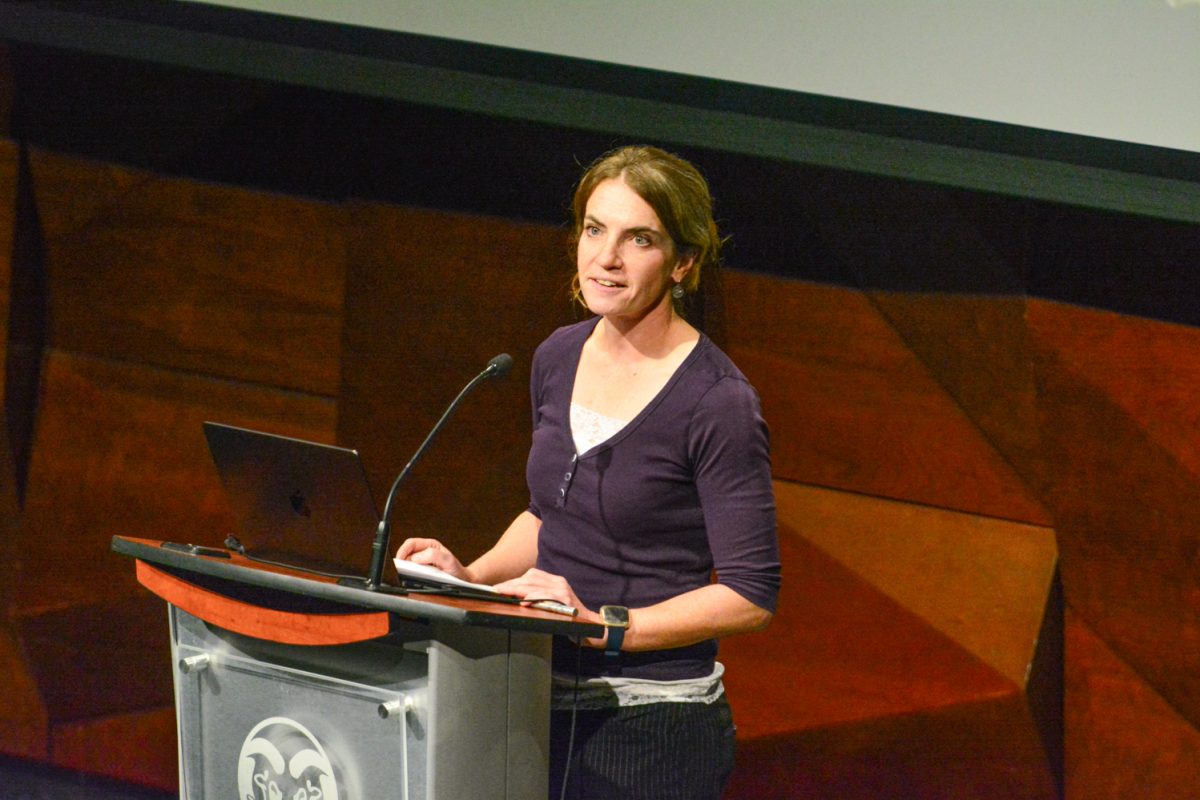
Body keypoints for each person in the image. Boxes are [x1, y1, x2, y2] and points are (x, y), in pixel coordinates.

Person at [396, 144, 780, 800]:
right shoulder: (556, 356)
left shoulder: (718, 401)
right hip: (530, 699)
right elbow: (547, 513)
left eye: (639, 239)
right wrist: (472, 576)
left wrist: (607, 625)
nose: (606, 257)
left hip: (652, 727)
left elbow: (750, 594)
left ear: (683, 263)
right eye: (595, 229)